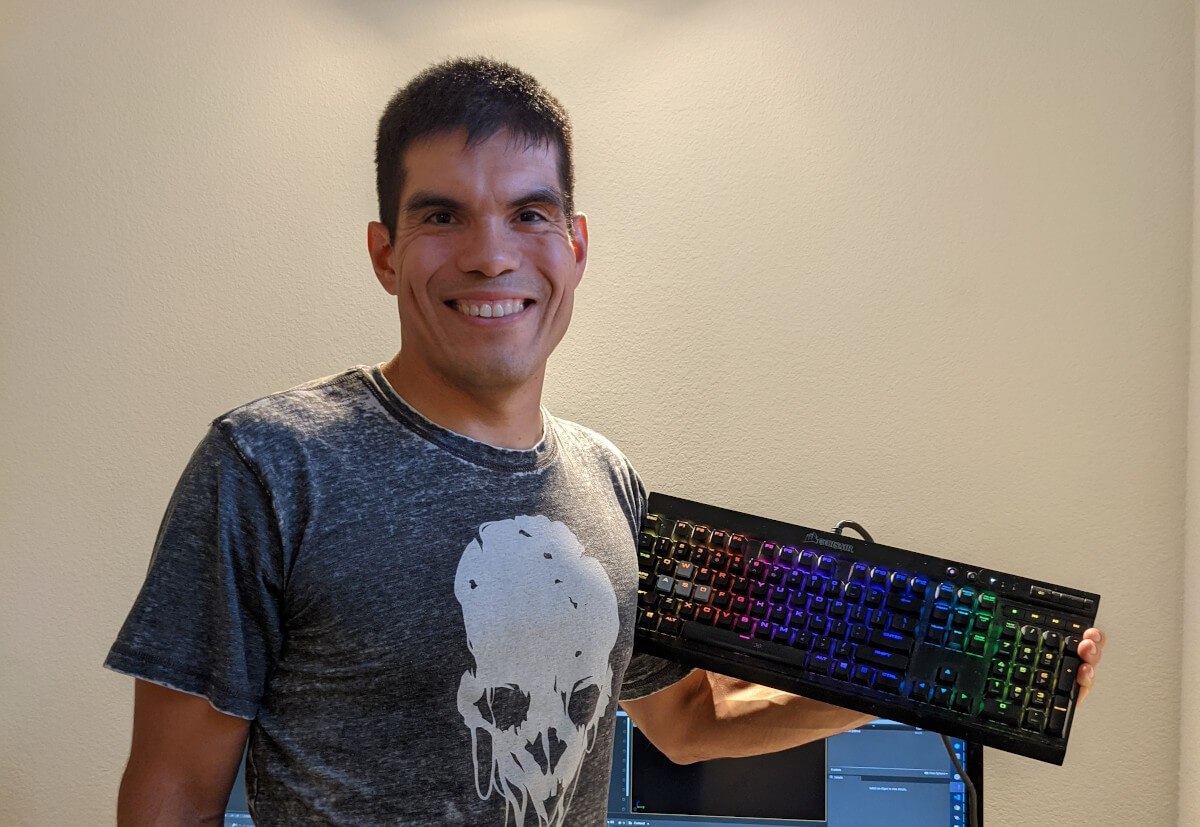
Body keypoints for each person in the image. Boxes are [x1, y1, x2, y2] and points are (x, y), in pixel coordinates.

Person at [106, 57, 1107, 826]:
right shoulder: (269, 465)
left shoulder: (608, 482)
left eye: (529, 212)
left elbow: (693, 721)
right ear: (384, 252)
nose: (492, 250)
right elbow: (174, 792)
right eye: (442, 214)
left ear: (575, 245)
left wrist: (929, 681)